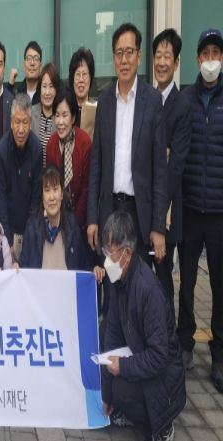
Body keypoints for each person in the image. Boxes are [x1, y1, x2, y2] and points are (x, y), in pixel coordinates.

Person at [87, 23, 167, 268]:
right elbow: (96, 164)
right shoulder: (104, 102)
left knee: (137, 280)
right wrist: (92, 218)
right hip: (110, 210)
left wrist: (158, 226)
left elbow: (159, 171)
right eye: (119, 53)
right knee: (112, 280)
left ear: (139, 56)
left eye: (129, 52)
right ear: (113, 58)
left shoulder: (152, 101)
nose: (124, 60)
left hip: (139, 213)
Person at [100, 211, 185, 441]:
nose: (107, 260)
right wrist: (106, 396)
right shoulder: (119, 280)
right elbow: (112, 334)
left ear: (126, 254)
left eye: (110, 253)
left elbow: (159, 356)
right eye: (105, 251)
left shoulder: (148, 290)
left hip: (165, 377)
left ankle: (163, 424)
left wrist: (123, 366)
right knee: (104, 335)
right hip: (140, 352)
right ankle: (130, 410)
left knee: (122, 389)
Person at [178, 28, 223, 389]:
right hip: (191, 207)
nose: (210, 60)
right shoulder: (186, 100)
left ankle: (219, 354)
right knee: (188, 282)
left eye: (216, 54)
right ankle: (185, 343)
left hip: (219, 211)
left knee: (219, 285)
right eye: (205, 54)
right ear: (197, 59)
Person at [151, 28, 191, 318]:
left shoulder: (182, 106)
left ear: (176, 62)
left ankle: (168, 336)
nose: (162, 62)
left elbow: (175, 164)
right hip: (147, 204)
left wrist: (158, 212)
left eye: (167, 56)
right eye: (158, 56)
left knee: (164, 276)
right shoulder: (149, 99)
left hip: (166, 210)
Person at [0, 93, 42, 262]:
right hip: (7, 225)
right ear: (11, 122)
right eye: (17, 122)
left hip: (30, 225)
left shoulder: (37, 150)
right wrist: (7, 240)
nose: (21, 129)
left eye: (25, 122)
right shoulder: (1, 150)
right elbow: (0, 199)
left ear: (30, 123)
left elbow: (36, 199)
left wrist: (28, 238)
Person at [19, 166, 90, 272]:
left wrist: (95, 271)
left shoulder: (72, 224)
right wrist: (16, 268)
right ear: (42, 196)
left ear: (61, 194)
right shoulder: (32, 227)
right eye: (47, 190)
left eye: (55, 189)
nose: (51, 197)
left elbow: (83, 266)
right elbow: (23, 268)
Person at [46, 88, 91, 229]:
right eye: (57, 115)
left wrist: (73, 224)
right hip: (57, 219)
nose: (60, 122)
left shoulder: (85, 142)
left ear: (73, 118)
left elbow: (86, 189)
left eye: (65, 115)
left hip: (81, 222)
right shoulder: (51, 144)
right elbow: (51, 185)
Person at [31, 62, 59, 165]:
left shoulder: (61, 116)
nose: (47, 92)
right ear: (39, 88)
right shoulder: (30, 113)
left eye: (51, 86)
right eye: (44, 86)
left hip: (55, 174)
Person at [68, 48, 96, 127]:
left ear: (90, 78)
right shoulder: (66, 109)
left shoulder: (97, 110)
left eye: (84, 74)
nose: (81, 80)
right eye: (77, 74)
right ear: (72, 78)